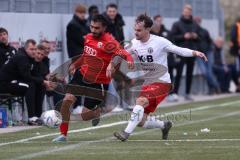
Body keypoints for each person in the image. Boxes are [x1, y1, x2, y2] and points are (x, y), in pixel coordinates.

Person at [113, 14, 207, 142]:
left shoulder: (160, 42)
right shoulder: (134, 43)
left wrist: (195, 52)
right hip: (148, 83)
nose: (136, 33)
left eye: (139, 30)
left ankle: (125, 133)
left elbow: (177, 50)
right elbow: (120, 54)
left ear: (148, 29)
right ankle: (164, 125)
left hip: (162, 83)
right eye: (135, 29)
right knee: (140, 121)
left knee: (140, 101)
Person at [52, 15, 134, 142]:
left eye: (97, 28)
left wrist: (129, 61)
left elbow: (125, 53)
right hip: (81, 75)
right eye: (91, 27)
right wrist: (75, 65)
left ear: (104, 28)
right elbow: (85, 56)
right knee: (66, 101)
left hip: (98, 82)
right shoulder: (89, 37)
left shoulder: (110, 42)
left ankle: (96, 113)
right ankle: (63, 134)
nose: (93, 30)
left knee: (84, 116)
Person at [170, 4, 201, 101]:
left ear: (191, 12)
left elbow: (200, 38)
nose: (187, 12)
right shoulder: (177, 24)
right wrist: (184, 36)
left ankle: (187, 93)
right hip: (181, 52)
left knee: (189, 73)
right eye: (186, 10)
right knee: (179, 73)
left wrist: (196, 36)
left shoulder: (195, 24)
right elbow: (172, 37)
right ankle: (175, 93)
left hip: (192, 52)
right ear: (183, 11)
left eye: (189, 11)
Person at [194, 16, 220, 94]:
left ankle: (211, 89)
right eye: (195, 21)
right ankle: (216, 86)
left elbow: (210, 41)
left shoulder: (204, 31)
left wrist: (211, 49)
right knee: (205, 72)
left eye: (198, 21)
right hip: (198, 54)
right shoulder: (192, 32)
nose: (197, 23)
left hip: (208, 52)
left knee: (209, 72)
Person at [25, 44, 49, 125]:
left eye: (42, 54)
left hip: (37, 84)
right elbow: (28, 76)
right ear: (35, 51)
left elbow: (45, 75)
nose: (39, 56)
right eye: (38, 53)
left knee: (42, 87)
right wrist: (43, 81)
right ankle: (32, 116)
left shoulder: (42, 64)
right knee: (33, 86)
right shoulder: (28, 61)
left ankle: (38, 115)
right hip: (27, 84)